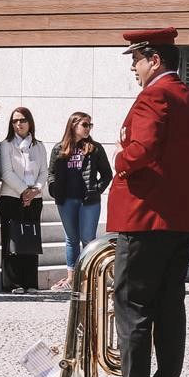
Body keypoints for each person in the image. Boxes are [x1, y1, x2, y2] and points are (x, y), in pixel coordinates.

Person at [91, 28, 189, 377]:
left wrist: (120, 160)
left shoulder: (154, 96)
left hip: (145, 218)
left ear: (153, 59)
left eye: (136, 62)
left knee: (134, 310)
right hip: (180, 219)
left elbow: (141, 150)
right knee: (170, 312)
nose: (134, 70)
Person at [47, 111, 112, 285]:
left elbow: (107, 174)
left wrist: (96, 189)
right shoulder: (59, 149)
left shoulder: (95, 148)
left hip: (88, 201)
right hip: (66, 200)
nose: (88, 128)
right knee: (71, 239)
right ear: (73, 125)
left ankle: (89, 279)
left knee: (88, 238)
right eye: (84, 125)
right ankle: (72, 278)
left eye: (90, 125)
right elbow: (51, 173)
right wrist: (54, 189)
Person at [0, 106, 48, 294]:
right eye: (15, 121)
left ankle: (30, 282)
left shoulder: (39, 145)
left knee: (30, 240)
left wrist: (34, 191)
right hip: (11, 197)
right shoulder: (6, 145)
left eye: (22, 120)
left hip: (35, 199)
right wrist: (23, 192)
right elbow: (6, 172)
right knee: (11, 240)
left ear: (29, 122)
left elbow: (44, 172)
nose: (19, 124)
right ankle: (13, 282)